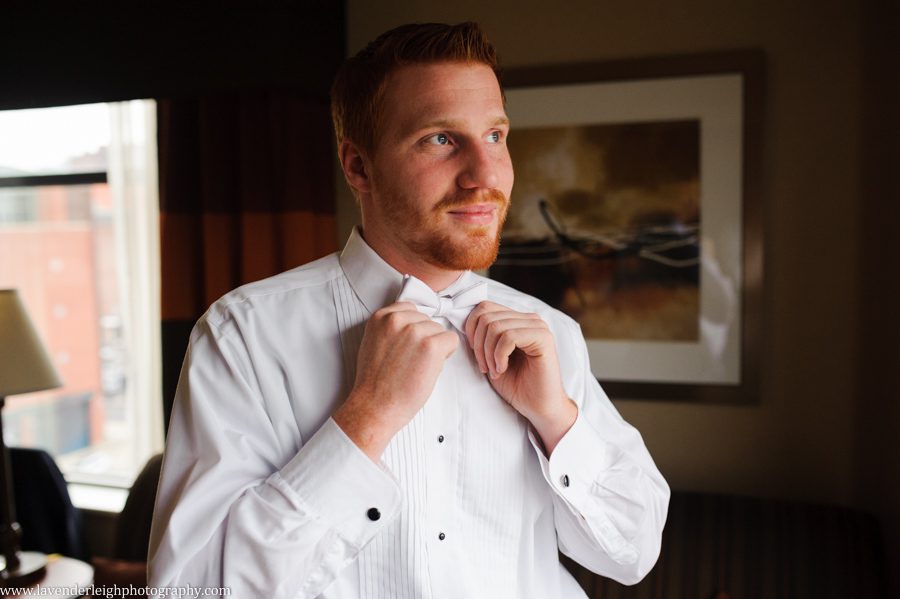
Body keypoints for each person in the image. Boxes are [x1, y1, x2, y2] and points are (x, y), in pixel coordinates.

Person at [148, 21, 669, 599]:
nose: (485, 176)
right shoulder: (243, 334)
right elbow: (193, 590)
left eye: (495, 136)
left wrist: (557, 419)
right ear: (358, 168)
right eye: (441, 139)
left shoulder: (552, 335)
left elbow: (634, 552)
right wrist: (366, 418)